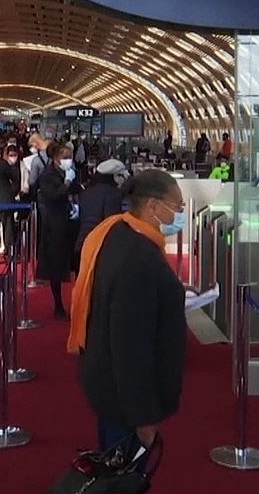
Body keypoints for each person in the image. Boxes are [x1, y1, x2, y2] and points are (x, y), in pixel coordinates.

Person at [68, 169, 187, 471]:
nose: (180, 214)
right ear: (152, 206)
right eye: (177, 206)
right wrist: (142, 415)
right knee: (124, 474)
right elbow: (130, 343)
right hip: (123, 397)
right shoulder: (139, 259)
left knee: (114, 467)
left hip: (107, 383)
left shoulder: (116, 233)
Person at [36, 141, 80, 319]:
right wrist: (67, 183)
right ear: (55, 159)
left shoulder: (71, 172)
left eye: (70, 157)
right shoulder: (47, 176)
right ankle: (58, 305)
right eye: (65, 158)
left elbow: (77, 190)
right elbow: (54, 195)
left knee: (77, 263)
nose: (69, 161)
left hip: (72, 223)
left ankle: (80, 303)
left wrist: (77, 203)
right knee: (56, 267)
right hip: (55, 226)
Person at [75, 158, 126, 258]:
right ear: (114, 176)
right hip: (101, 245)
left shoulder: (87, 192)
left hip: (83, 242)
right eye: (121, 175)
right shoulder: (113, 194)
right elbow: (111, 222)